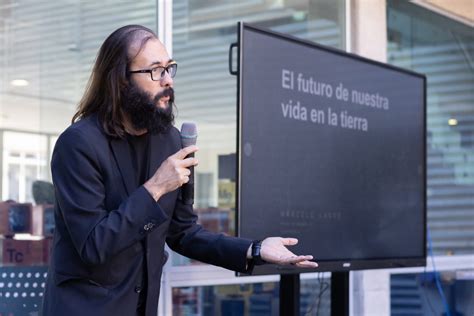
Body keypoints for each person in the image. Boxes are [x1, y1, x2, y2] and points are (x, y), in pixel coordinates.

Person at [41, 25, 317, 316]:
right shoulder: (78, 144)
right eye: (156, 71)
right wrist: (156, 187)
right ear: (121, 80)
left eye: (170, 68)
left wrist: (255, 249)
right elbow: (94, 246)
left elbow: (183, 232)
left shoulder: (170, 140)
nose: (168, 80)